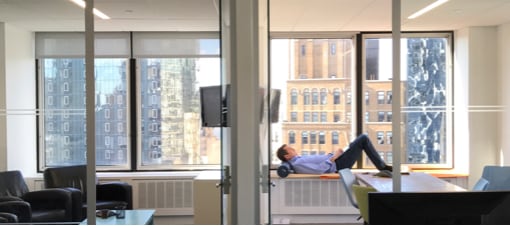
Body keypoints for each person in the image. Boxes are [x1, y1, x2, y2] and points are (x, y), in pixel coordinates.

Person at [276, 134, 392, 174]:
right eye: (290, 149)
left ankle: (382, 166)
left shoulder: (298, 159)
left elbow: (317, 162)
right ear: (287, 156)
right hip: (338, 165)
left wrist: (331, 155)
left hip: (337, 161)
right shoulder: (298, 163)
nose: (293, 148)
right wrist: (334, 157)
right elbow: (318, 170)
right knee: (363, 139)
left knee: (354, 143)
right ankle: (382, 167)